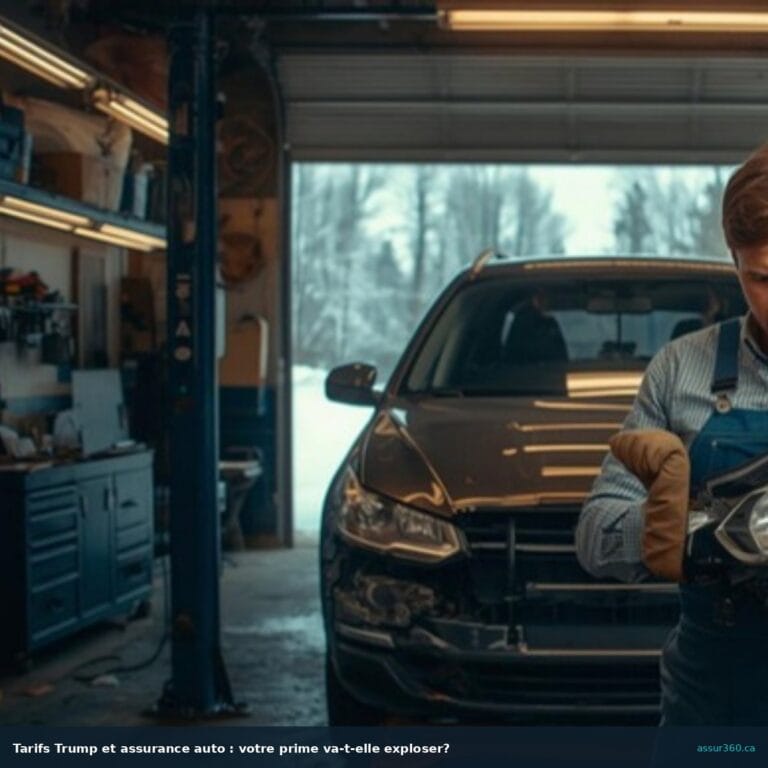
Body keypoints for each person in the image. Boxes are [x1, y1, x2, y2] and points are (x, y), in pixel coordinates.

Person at [575, 145, 768, 725]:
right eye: (763, 277)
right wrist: (683, 531)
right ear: (734, 263)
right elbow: (593, 537)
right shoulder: (682, 369)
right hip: (719, 701)